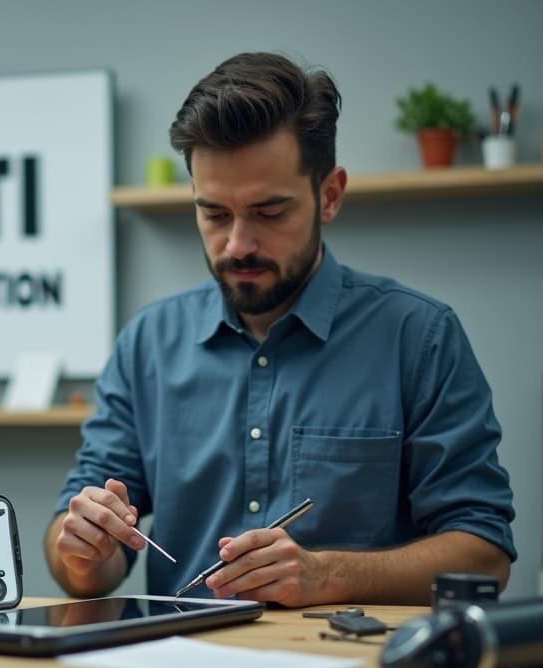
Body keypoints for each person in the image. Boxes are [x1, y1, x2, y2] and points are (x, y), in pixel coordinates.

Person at [45, 52, 515, 608]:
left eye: (269, 213)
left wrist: (325, 575)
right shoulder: (148, 342)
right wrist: (79, 548)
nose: (238, 244)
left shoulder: (420, 337)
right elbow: (79, 566)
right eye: (214, 214)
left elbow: (485, 554)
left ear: (330, 195)